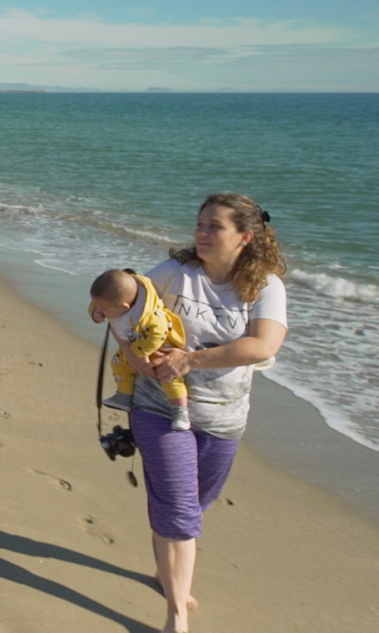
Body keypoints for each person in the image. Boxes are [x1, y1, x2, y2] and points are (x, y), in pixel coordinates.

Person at [124, 193, 287, 633]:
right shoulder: (176, 273)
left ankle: (167, 572)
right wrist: (131, 352)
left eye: (214, 226)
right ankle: (177, 612)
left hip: (223, 417)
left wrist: (190, 360)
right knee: (177, 504)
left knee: (193, 505)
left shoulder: (264, 286)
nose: (201, 233)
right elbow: (120, 307)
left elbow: (263, 346)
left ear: (245, 236)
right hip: (159, 406)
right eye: (200, 224)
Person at [89, 268, 191, 430]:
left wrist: (138, 352)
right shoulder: (111, 300)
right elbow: (97, 302)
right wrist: (94, 313)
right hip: (135, 345)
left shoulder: (147, 314)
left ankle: (180, 411)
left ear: (124, 307)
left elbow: (159, 333)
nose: (102, 311)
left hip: (160, 349)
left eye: (104, 310)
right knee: (118, 364)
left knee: (169, 377)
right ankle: (124, 395)